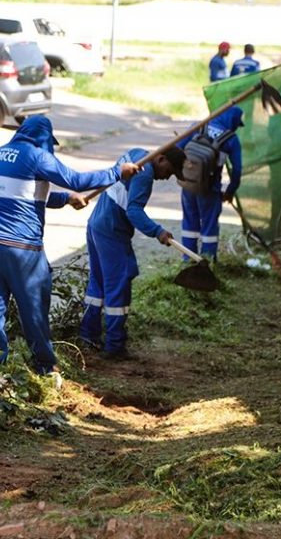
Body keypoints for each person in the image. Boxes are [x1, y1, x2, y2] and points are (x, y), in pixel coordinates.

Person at [0, 115, 139, 374]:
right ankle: (45, 365)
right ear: (43, 138)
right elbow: (76, 179)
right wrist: (117, 172)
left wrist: (65, 199)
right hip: (21, 248)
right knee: (34, 310)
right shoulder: (36, 156)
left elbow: (24, 193)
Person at [79, 146, 185, 360]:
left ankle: (88, 336)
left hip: (96, 224)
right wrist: (158, 231)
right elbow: (134, 211)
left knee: (98, 283)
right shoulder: (144, 174)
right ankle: (114, 346)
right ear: (161, 159)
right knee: (119, 284)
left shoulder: (136, 153)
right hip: (112, 230)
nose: (167, 177)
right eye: (169, 171)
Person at [176, 104, 244, 261]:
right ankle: (207, 261)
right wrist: (230, 192)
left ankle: (188, 260)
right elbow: (237, 170)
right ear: (233, 120)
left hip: (188, 186)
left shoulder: (198, 126)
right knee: (209, 227)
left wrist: (182, 174)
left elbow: (177, 148)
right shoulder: (231, 139)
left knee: (189, 223)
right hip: (210, 189)